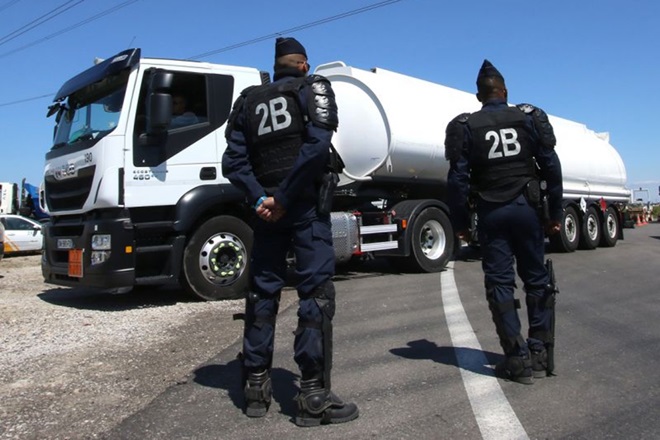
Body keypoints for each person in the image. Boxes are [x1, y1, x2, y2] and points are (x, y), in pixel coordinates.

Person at [222, 37, 359, 426]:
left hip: (265, 213)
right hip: (301, 208)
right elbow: (316, 148)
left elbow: (233, 161)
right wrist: (284, 197)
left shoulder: (247, 101)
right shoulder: (313, 87)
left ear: (277, 64)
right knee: (315, 296)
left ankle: (256, 388)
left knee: (262, 293)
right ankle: (313, 397)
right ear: (303, 64)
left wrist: (260, 199)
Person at [444, 60, 563, 384]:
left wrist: (461, 223)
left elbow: (457, 181)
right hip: (527, 208)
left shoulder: (466, 126)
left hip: (492, 212)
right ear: (505, 92)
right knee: (537, 280)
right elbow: (551, 167)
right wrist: (554, 214)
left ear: (479, 95)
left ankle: (516, 358)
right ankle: (538, 350)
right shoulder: (528, 118)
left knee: (499, 283)